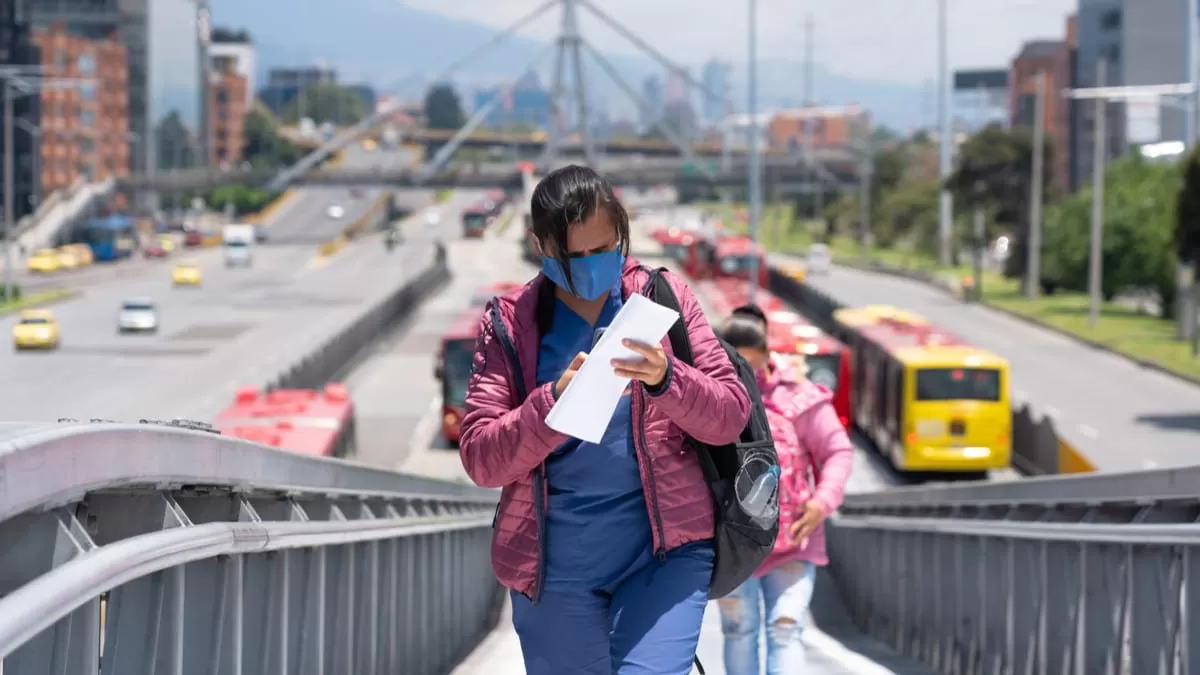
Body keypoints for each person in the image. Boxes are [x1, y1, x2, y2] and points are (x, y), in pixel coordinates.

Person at [458, 164, 752, 675]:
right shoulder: (510, 323)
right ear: (541, 246)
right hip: (554, 568)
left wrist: (668, 379)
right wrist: (550, 405)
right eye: (576, 256)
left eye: (606, 249)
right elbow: (482, 459)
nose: (595, 266)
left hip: (665, 554)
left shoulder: (663, 298)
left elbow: (729, 415)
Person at [714, 312, 854, 675]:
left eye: (748, 357)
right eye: (733, 357)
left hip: (793, 537)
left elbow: (837, 450)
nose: (742, 367)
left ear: (765, 352)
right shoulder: (708, 395)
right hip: (732, 542)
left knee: (785, 628)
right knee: (739, 630)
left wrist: (823, 501)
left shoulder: (799, 398)